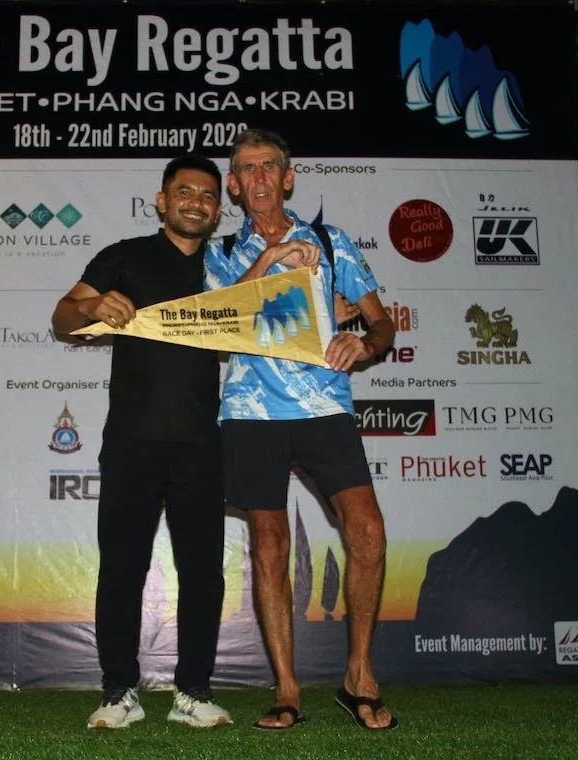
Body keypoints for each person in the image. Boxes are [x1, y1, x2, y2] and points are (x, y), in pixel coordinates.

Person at [204, 129, 399, 732]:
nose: (259, 177)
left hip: (324, 407)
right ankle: (287, 689)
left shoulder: (332, 242)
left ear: (287, 179)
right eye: (247, 169)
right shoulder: (218, 252)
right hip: (252, 413)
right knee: (270, 545)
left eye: (269, 166)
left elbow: (382, 323)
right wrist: (271, 260)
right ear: (234, 186)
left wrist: (363, 344)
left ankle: (358, 675)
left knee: (367, 531)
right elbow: (221, 325)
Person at [51, 154, 232, 730]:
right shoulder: (123, 256)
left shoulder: (228, 266)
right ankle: (118, 692)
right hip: (131, 443)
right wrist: (91, 305)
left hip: (201, 444)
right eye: (185, 192)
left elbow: (272, 316)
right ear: (162, 200)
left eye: (208, 196)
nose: (196, 203)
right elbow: (61, 318)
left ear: (218, 210)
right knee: (122, 570)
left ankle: (193, 691)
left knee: (203, 573)